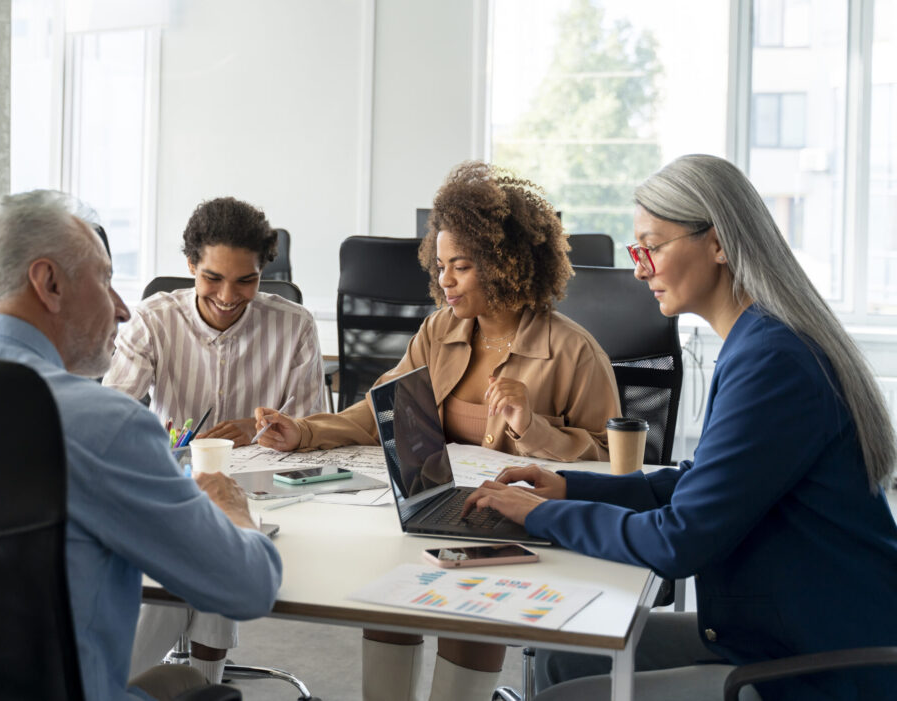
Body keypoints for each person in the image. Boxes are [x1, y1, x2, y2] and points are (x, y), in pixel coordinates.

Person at [463, 154, 897, 701]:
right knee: (562, 653)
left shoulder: (774, 361)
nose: (640, 268)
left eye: (653, 246)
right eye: (636, 250)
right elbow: (699, 481)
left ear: (717, 243)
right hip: (772, 632)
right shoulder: (759, 341)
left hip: (819, 666)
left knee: (561, 696)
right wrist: (572, 486)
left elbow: (680, 541)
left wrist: (546, 515)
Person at [255, 161, 621, 701]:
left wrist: (533, 426)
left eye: (463, 266)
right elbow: (383, 408)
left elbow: (615, 462)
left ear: (506, 264)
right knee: (386, 591)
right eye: (442, 265)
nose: (444, 281)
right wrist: (303, 432)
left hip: (520, 526)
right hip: (441, 508)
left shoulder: (572, 351)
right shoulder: (439, 330)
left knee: (471, 609)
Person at [0, 190, 283, 701]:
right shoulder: (106, 425)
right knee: (189, 682)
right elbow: (247, 587)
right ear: (49, 283)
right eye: (106, 280)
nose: (124, 310)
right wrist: (233, 511)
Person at [102, 196, 324, 681]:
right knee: (204, 542)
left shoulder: (295, 326)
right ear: (190, 266)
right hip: (173, 487)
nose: (228, 295)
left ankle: (193, 681)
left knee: (218, 534)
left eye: (246, 280)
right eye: (213, 278)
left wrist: (257, 427)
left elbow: (316, 431)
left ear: (264, 272)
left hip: (270, 494)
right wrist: (148, 435)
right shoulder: (153, 320)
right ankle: (202, 684)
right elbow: (112, 416)